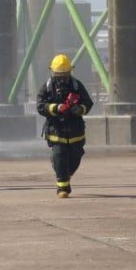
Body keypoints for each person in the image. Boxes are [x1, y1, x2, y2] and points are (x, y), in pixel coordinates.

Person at [36, 54, 94, 198]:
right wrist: (55, 108)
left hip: (75, 131)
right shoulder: (47, 87)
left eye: (64, 74)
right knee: (59, 154)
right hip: (56, 130)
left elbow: (88, 102)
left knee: (75, 157)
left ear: (69, 72)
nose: (61, 78)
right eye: (59, 74)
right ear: (53, 72)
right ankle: (63, 188)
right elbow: (40, 105)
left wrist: (80, 109)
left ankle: (63, 171)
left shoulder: (76, 85)